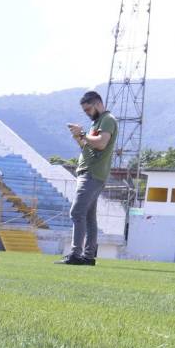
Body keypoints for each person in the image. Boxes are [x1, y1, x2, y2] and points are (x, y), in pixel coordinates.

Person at [59, 91, 117, 266]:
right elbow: (89, 148)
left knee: (77, 212)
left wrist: (83, 134)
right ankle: (88, 256)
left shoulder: (107, 119)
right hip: (90, 172)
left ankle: (76, 254)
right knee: (89, 217)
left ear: (98, 104)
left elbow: (101, 143)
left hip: (92, 173)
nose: (87, 113)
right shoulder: (97, 122)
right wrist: (79, 138)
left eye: (88, 110)